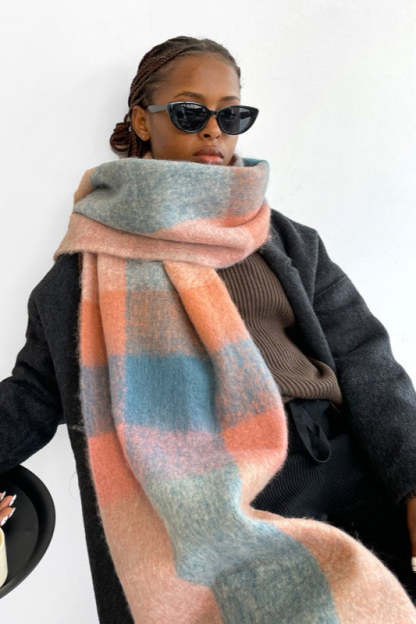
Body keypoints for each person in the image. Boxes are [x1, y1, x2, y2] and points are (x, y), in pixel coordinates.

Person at [1, 35, 416, 623]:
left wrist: (411, 481)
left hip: (342, 468)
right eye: (191, 113)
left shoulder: (285, 240)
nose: (214, 131)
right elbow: (29, 400)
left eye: (232, 115)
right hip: (211, 498)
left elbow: (368, 361)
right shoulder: (78, 277)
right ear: (142, 121)